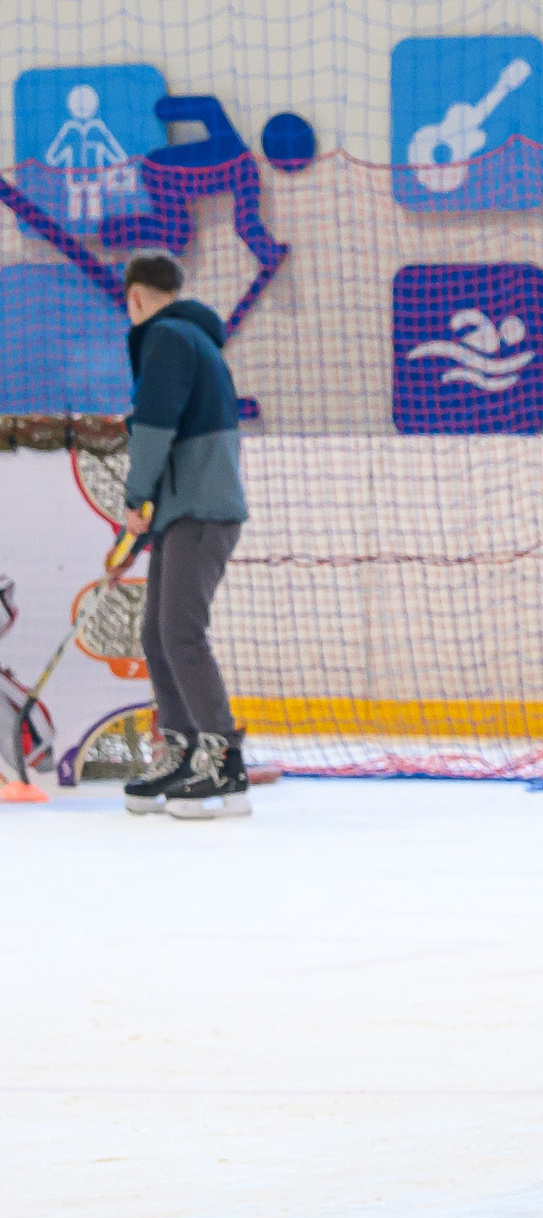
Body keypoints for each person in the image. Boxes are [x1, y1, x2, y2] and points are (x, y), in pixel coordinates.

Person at [116, 248, 252, 820]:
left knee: (181, 633)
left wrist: (134, 494)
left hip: (200, 509)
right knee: (157, 633)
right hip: (183, 508)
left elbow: (154, 425)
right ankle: (181, 749)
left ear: (135, 297)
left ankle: (224, 763)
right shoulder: (193, 337)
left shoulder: (168, 339)